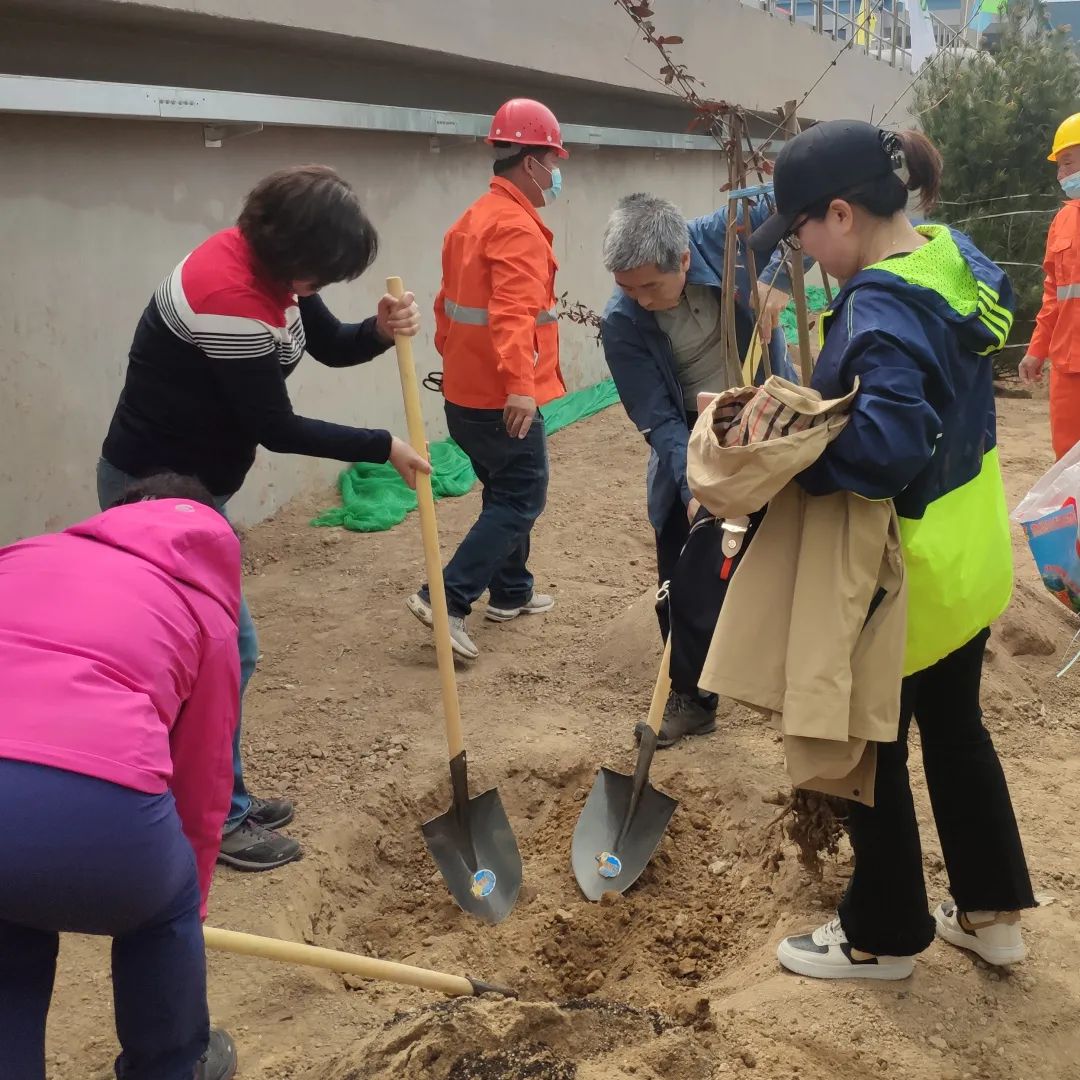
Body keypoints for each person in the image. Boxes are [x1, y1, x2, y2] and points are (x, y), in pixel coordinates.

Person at [746, 120, 1033, 980]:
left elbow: (885, 447)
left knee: (865, 745)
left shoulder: (879, 305)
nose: (797, 247)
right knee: (955, 731)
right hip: (967, 557)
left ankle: (884, 932)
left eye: (799, 229)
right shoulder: (946, 256)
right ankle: (991, 914)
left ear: (840, 213)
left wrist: (792, 452)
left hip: (900, 573)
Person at [98, 165, 429, 872]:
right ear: (290, 253)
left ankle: (223, 794)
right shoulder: (228, 294)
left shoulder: (274, 276)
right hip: (153, 498)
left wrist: (375, 329)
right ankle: (216, 819)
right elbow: (274, 426)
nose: (318, 289)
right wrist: (382, 445)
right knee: (223, 655)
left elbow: (331, 342)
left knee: (213, 657)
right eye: (319, 275)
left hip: (195, 492)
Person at [0, 473, 243, 1080]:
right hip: (98, 804)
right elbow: (203, 780)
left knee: (10, 929)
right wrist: (187, 905)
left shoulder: (25, 551)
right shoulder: (208, 614)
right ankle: (170, 1065)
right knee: (161, 910)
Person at [600, 192, 802, 747]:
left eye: (649, 286)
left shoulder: (729, 233)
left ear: (683, 259)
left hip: (768, 421)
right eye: (626, 288)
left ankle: (800, 692)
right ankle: (690, 696)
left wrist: (782, 277)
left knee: (785, 554)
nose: (638, 300)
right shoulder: (621, 325)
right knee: (682, 567)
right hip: (692, 437)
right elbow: (658, 419)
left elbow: (812, 189)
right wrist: (694, 485)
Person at [406, 98, 567, 660]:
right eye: (552, 160)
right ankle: (446, 598)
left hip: (465, 393)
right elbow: (513, 314)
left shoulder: (471, 221)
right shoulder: (516, 228)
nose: (555, 173)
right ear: (530, 163)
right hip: (503, 397)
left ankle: (512, 591)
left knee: (505, 490)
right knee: (523, 495)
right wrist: (521, 386)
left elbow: (447, 307)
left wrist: (457, 363)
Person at [1020, 112, 1080, 459]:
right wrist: (1036, 349)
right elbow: (1054, 295)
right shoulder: (1063, 221)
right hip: (1070, 369)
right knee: (1069, 463)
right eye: (1059, 166)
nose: (1061, 175)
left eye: (1068, 163)